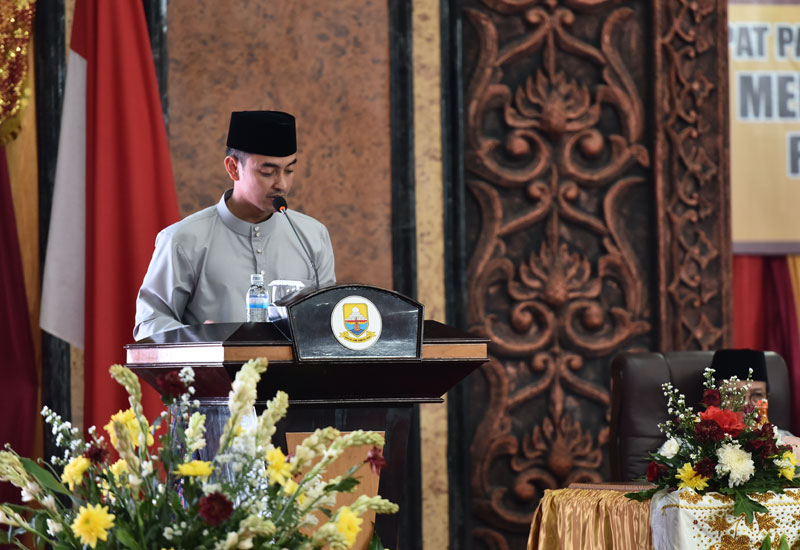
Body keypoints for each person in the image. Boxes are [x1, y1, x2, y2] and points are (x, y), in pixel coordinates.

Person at [133, 110, 335, 340]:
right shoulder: (184, 239)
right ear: (232, 168)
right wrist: (201, 336)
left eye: (289, 170)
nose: (282, 184)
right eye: (268, 172)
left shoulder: (312, 237)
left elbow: (326, 321)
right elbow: (149, 323)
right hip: (216, 376)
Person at [711, 349, 800, 454]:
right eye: (734, 395)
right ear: (714, 400)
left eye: (757, 395)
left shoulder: (789, 444)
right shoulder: (695, 449)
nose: (746, 405)